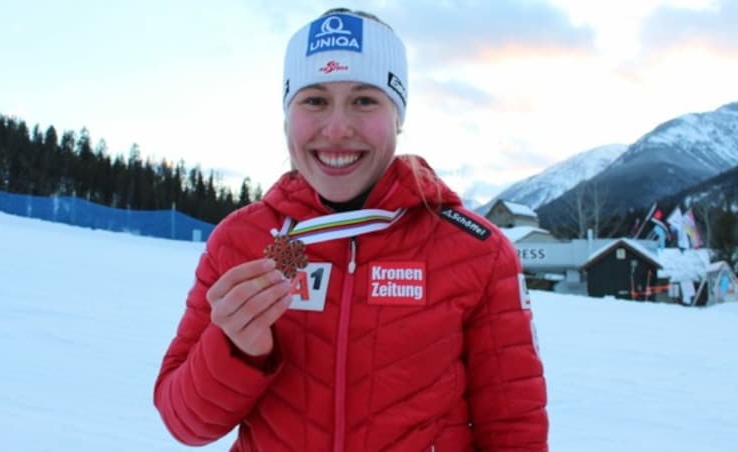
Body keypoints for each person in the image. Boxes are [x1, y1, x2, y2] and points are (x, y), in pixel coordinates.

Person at [154, 7, 548, 451]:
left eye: (364, 100)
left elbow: (515, 432)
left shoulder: (476, 250)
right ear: (287, 116)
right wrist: (236, 347)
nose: (337, 129)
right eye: (314, 100)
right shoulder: (242, 240)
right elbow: (185, 424)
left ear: (398, 116)